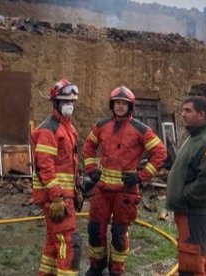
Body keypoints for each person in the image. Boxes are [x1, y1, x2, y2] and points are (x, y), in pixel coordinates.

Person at [83, 86, 167, 276]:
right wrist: (91, 169)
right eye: (117, 103)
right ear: (112, 105)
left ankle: (116, 270)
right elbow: (88, 145)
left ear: (130, 107)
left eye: (124, 104)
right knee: (95, 230)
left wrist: (141, 176)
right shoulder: (101, 125)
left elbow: (160, 152)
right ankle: (97, 266)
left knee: (119, 235)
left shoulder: (141, 129)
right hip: (102, 190)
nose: (120, 107)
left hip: (126, 193)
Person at [166, 96, 206, 276]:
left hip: (196, 213)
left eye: (188, 111)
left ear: (202, 114)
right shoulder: (195, 137)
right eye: (183, 110)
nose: (183, 114)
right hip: (189, 212)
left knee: (191, 261)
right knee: (200, 254)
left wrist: (183, 195)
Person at [31, 79, 82, 276]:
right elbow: (45, 166)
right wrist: (57, 197)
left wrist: (76, 190)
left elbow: (69, 165)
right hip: (57, 198)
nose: (69, 105)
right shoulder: (49, 130)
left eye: (71, 101)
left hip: (64, 195)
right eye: (64, 101)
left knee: (54, 243)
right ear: (55, 103)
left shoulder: (68, 128)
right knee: (70, 243)